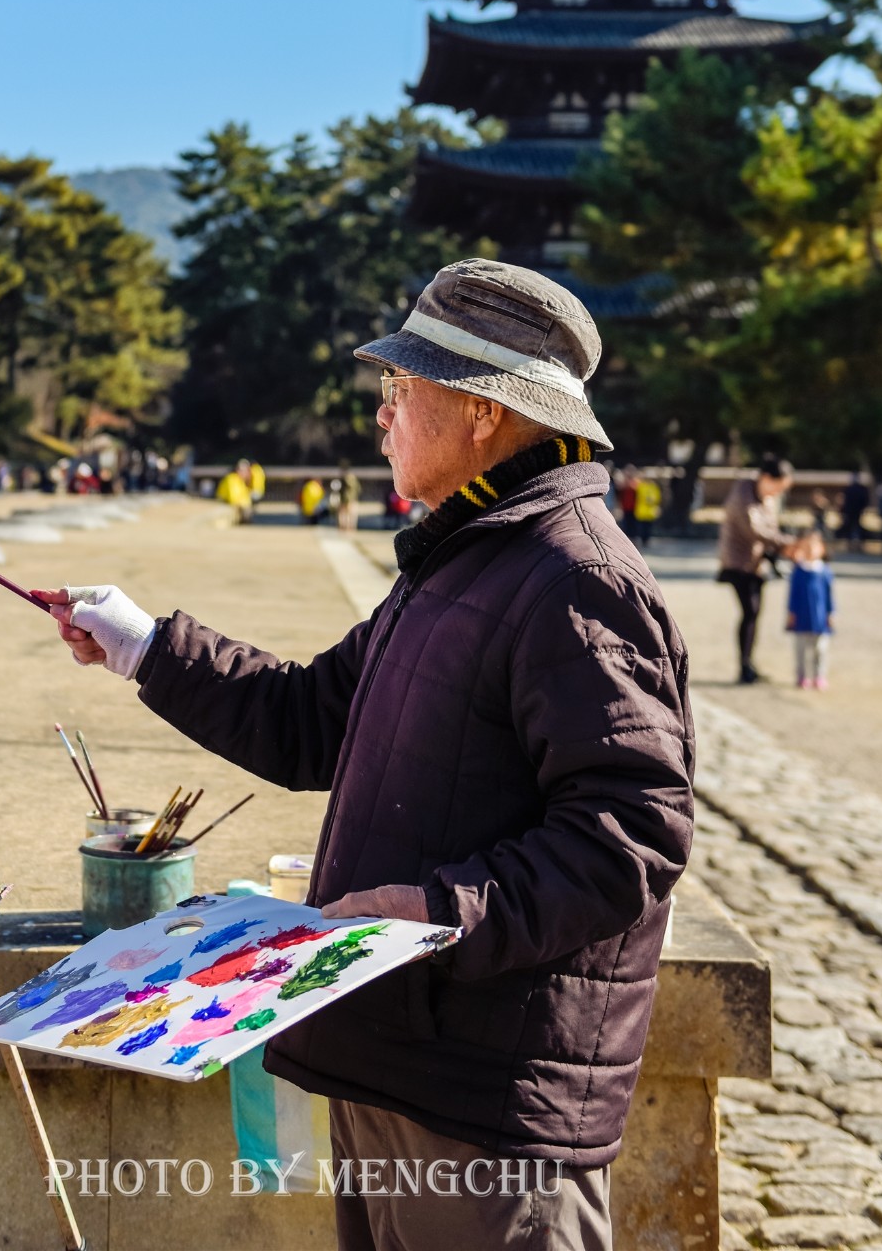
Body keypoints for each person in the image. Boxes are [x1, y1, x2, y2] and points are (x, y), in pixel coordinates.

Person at [39, 259, 693, 1251]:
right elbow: (310, 716)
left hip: (485, 1102)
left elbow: (627, 840)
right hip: (402, 1054)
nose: (381, 414)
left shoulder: (575, 576)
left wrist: (422, 916)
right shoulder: (467, 555)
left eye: (400, 388)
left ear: (482, 411)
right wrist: (143, 642)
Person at [717, 456, 796, 685]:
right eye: (778, 487)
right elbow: (756, 530)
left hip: (757, 564)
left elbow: (771, 529)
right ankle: (744, 666)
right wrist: (790, 543)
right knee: (750, 612)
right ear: (766, 478)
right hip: (738, 563)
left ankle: (749, 664)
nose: (779, 493)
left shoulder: (765, 496)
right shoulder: (742, 495)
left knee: (754, 613)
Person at [785, 528, 836, 689]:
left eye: (814, 546)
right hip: (801, 617)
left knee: (820, 649)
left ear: (822, 549)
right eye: (806, 546)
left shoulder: (825, 572)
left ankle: (819, 676)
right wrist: (791, 613)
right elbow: (793, 595)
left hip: (819, 618)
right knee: (801, 650)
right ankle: (802, 676)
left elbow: (829, 596)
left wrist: (831, 613)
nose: (810, 550)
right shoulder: (798, 572)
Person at [837, 472, 869, 554]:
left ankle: (853, 543)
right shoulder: (859, 489)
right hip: (856, 510)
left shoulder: (850, 489)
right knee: (855, 526)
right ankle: (856, 543)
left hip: (852, 510)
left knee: (852, 526)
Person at [632, 472, 662, 551]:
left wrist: (653, 499)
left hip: (650, 512)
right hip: (641, 511)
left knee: (648, 528)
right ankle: (641, 541)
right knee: (640, 528)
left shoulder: (654, 487)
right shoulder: (641, 486)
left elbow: (657, 497)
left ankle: (646, 541)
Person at [336, 459, 362, 533]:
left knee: (344, 514)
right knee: (350, 515)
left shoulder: (344, 478)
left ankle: (345, 528)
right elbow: (358, 489)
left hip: (346, 499)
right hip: (351, 498)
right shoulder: (353, 478)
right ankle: (350, 528)